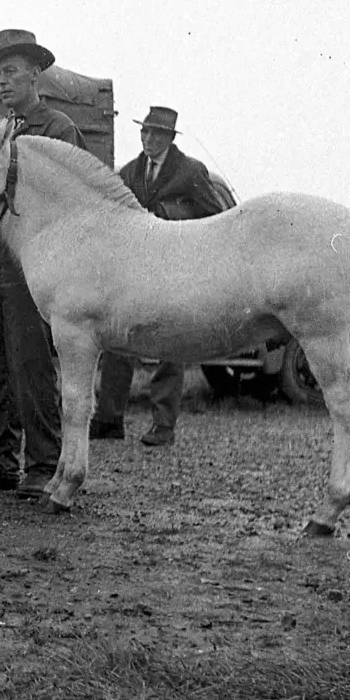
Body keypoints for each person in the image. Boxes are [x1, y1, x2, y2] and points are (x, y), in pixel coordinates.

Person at [0, 28, 86, 499]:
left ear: (36, 74)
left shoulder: (58, 130)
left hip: (32, 264)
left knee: (31, 362)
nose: (2, 83)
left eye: (11, 72)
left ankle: (44, 462)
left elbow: (71, 204)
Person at [89, 105, 228, 446]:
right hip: (133, 272)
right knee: (118, 341)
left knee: (170, 348)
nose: (147, 138)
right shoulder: (130, 172)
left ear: (169, 137)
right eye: (144, 132)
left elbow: (217, 219)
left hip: (174, 272)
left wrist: (169, 214)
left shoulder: (192, 171)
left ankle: (163, 427)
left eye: (155, 133)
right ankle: (109, 420)